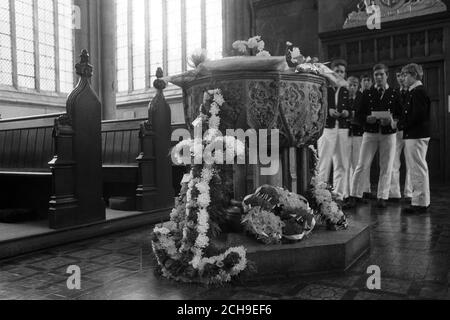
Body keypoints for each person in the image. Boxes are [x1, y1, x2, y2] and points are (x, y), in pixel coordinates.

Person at [347, 63, 403, 209]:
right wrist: (366, 119)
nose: (378, 77)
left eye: (381, 74)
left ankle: (382, 197)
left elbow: (400, 115)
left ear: (387, 76)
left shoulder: (395, 93)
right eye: (376, 75)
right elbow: (358, 115)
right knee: (362, 164)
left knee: (386, 166)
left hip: (388, 134)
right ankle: (354, 195)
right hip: (370, 133)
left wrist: (391, 121)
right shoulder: (367, 93)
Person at [317, 59, 351, 202]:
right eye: (336, 71)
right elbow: (316, 106)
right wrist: (327, 110)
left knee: (342, 163)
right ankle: (319, 194)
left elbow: (352, 108)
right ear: (331, 72)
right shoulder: (323, 87)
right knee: (324, 162)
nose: (339, 74)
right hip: (327, 128)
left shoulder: (346, 89)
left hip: (342, 128)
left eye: (342, 71)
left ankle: (339, 193)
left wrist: (346, 112)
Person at [399, 63, 431, 214]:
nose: (403, 78)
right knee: (417, 168)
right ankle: (420, 201)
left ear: (415, 75)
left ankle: (420, 203)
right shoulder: (414, 91)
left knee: (417, 169)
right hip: (415, 134)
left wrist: (401, 124)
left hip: (416, 134)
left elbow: (417, 116)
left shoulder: (418, 91)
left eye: (406, 75)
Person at [389, 69, 412, 202]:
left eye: (403, 75)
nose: (401, 78)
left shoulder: (412, 91)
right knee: (393, 162)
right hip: (396, 130)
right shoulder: (394, 93)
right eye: (398, 75)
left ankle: (409, 193)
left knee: (410, 162)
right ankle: (394, 192)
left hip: (409, 130)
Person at [346, 76, 370, 201]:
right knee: (346, 164)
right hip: (346, 133)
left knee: (358, 163)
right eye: (350, 85)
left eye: (355, 85)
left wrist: (355, 116)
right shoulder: (343, 97)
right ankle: (347, 192)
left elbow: (364, 114)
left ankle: (360, 191)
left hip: (359, 133)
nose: (352, 87)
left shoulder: (362, 97)